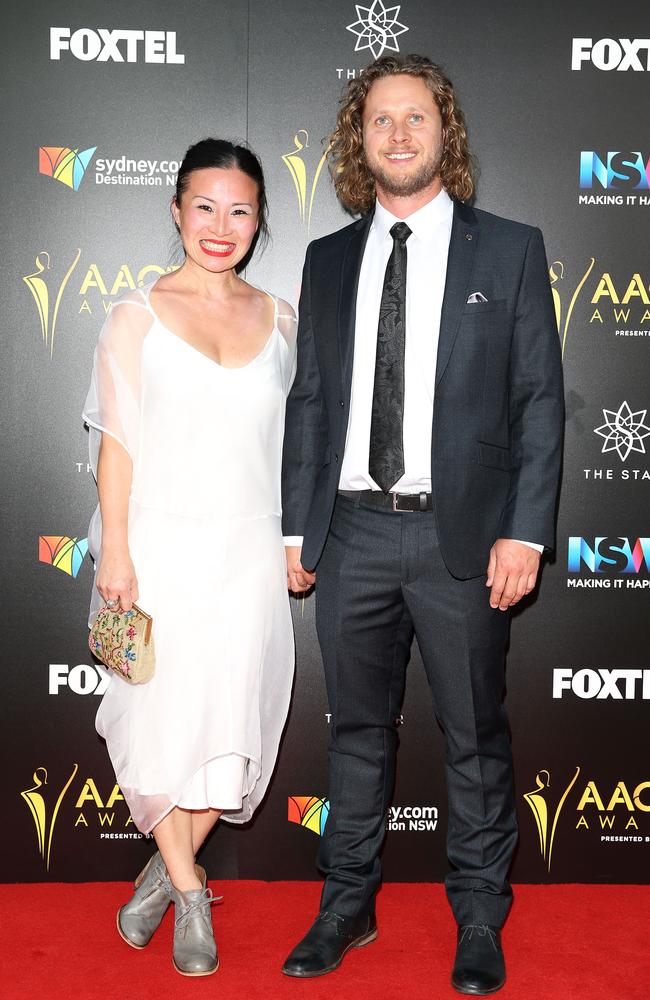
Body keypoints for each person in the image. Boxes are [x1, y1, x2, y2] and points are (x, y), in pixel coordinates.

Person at [281, 55, 564, 995]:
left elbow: (539, 402)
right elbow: (312, 402)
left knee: (475, 735)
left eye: (415, 117)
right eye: (379, 120)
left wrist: (525, 531)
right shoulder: (326, 260)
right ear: (357, 141)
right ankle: (346, 903)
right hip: (352, 532)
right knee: (355, 730)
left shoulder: (511, 248)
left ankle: (480, 914)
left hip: (464, 538)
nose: (397, 134)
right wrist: (297, 528)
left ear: (446, 132)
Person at [83, 138, 296, 977]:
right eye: (204, 206)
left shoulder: (282, 319)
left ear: (257, 223)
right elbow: (116, 449)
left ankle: (154, 883)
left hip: (248, 545)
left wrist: (293, 541)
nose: (221, 225)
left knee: (229, 732)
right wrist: (117, 554)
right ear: (175, 210)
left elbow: (300, 447)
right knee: (163, 724)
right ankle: (191, 893)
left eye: (240, 209)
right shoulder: (133, 314)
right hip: (158, 546)